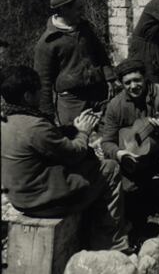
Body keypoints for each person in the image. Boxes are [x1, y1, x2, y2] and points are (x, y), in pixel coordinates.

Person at [1, 66, 132, 253]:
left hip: (20, 198)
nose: (41, 94)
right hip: (44, 202)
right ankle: (111, 244)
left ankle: (90, 232)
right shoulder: (35, 126)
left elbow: (47, 142)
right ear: (27, 96)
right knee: (109, 168)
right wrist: (84, 132)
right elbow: (74, 153)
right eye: (38, 90)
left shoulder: (7, 118)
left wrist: (72, 128)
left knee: (89, 170)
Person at [100, 59, 159, 231]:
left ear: (145, 78)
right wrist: (120, 154)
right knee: (132, 204)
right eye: (127, 82)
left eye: (137, 80)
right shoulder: (115, 105)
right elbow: (107, 142)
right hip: (131, 157)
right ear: (121, 84)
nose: (133, 86)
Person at [34, 0, 115, 125]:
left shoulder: (85, 28)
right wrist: (47, 114)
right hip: (72, 103)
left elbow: (100, 53)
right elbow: (43, 82)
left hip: (98, 94)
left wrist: (110, 77)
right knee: (77, 140)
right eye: (78, 8)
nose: (82, 12)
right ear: (64, 9)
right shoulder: (47, 42)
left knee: (106, 135)